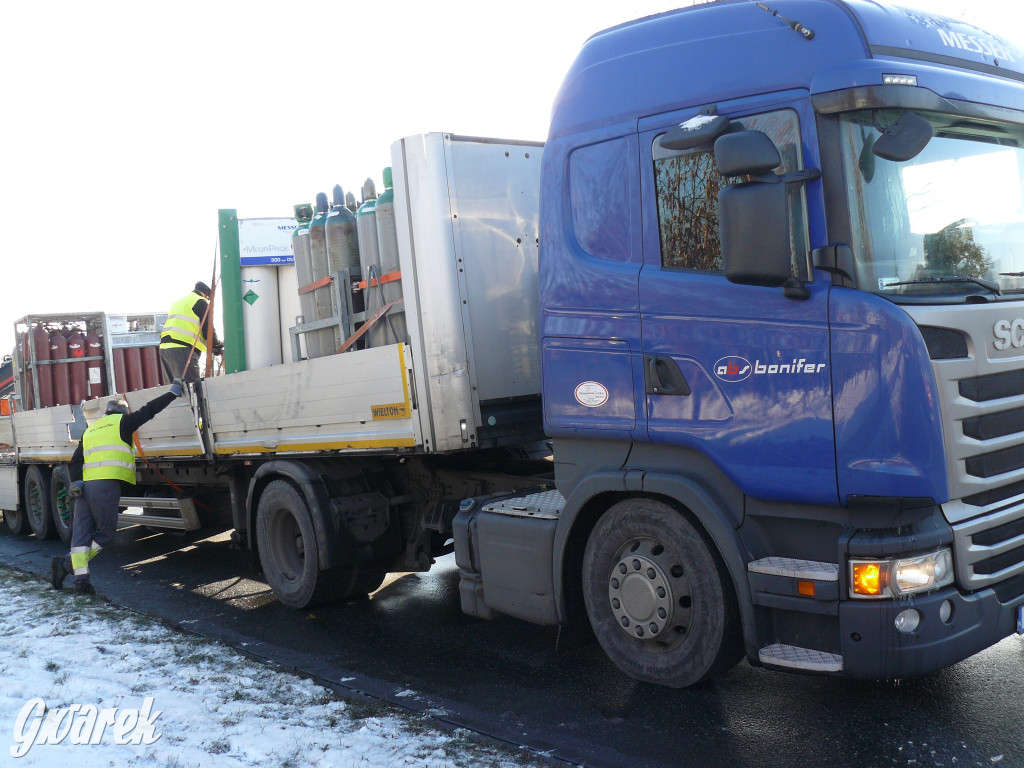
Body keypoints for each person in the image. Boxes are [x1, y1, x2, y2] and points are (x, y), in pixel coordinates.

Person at [51, 379, 184, 594]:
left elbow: (75, 461)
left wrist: (76, 482)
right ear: (122, 413)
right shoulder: (122, 423)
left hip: (83, 487)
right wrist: (173, 393)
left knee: (81, 536)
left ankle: (82, 583)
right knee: (105, 534)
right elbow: (149, 410)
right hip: (104, 487)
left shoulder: (91, 431)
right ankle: (66, 565)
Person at [159, 281, 223, 383]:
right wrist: (216, 345)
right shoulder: (200, 301)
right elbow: (208, 329)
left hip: (165, 350)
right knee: (191, 389)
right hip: (182, 350)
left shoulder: (179, 302)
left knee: (173, 390)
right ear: (206, 295)